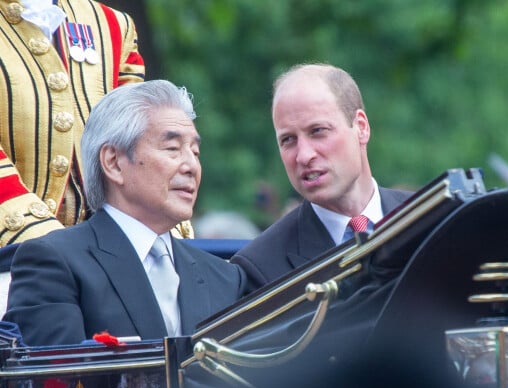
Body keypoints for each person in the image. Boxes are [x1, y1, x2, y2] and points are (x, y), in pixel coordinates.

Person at [2, 79, 247, 346]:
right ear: (114, 162)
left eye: (196, 152)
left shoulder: (224, 277)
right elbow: (55, 379)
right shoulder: (54, 263)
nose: (191, 166)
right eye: (173, 149)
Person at [0, 0, 193, 248]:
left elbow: (136, 144)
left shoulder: (112, 24)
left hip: (104, 256)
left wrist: (155, 233)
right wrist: (51, 243)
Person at [230, 63, 412, 290]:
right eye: (288, 140)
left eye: (318, 131)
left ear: (361, 128)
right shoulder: (261, 268)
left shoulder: (430, 219)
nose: (304, 155)